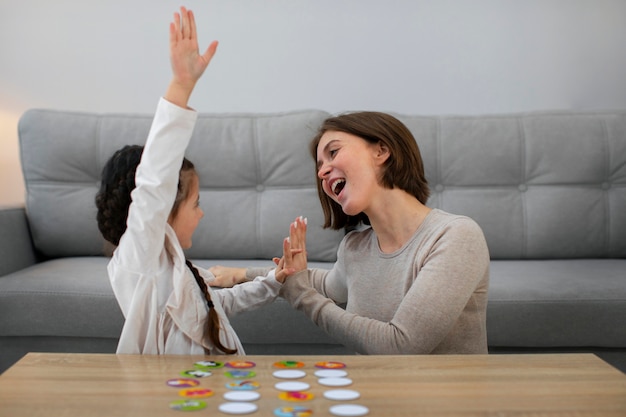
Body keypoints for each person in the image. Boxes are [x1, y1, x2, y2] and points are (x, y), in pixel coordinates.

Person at [95, 7, 295, 355]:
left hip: (211, 386)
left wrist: (274, 282)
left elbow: (219, 304)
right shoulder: (140, 261)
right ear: (163, 210)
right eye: (195, 203)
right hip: (170, 397)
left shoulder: (179, 269)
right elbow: (154, 180)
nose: (201, 213)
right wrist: (181, 85)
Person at [215, 112, 490, 355]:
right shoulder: (355, 248)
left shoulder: (456, 236)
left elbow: (402, 346)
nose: (322, 171)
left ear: (381, 151)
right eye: (319, 166)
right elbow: (321, 283)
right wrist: (243, 274)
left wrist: (302, 297)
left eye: (333, 153)